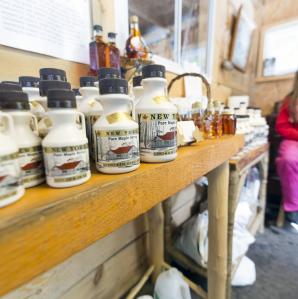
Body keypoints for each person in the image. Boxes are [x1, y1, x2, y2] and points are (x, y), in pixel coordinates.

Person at [276, 71, 298, 233]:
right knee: (288, 159)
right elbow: (282, 126)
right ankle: (293, 210)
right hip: (294, 138)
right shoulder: (290, 100)